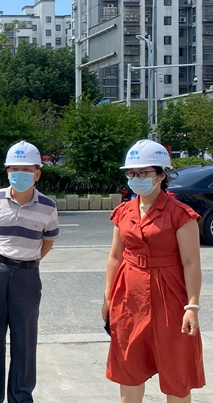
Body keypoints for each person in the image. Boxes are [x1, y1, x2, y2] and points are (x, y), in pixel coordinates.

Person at [103, 139, 205, 402]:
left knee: (176, 371)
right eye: (131, 173)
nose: (135, 179)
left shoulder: (180, 214)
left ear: (161, 175)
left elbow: (191, 263)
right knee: (129, 368)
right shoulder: (123, 212)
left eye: (143, 173)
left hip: (170, 296)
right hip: (129, 296)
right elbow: (115, 256)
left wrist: (192, 306)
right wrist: (108, 298)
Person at [0, 140, 59, 403]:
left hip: (27, 276)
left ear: (37, 174)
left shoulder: (48, 206)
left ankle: (21, 397)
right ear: (7, 171)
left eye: (26, 169)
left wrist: (26, 260)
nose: (19, 174)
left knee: (25, 339)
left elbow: (47, 241)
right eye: (14, 169)